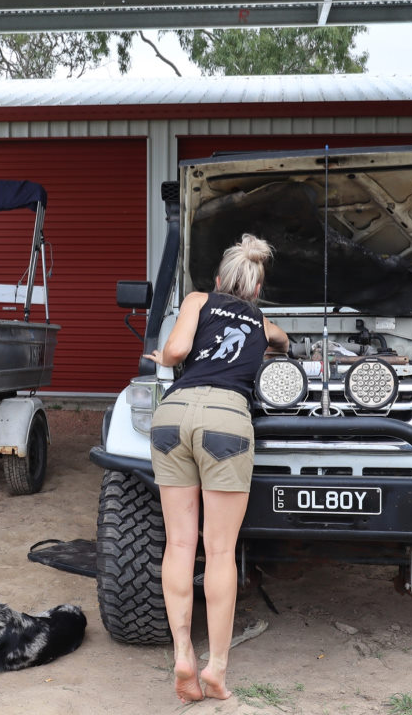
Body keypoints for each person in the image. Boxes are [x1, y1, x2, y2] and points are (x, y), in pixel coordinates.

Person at [142, 233, 289, 703]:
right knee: (220, 551)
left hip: (173, 413)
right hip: (226, 419)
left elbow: (179, 350)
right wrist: (275, 341)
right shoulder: (263, 321)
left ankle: (183, 652)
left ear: (221, 278)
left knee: (180, 543)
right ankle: (217, 670)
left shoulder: (198, 299)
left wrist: (160, 356)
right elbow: (285, 344)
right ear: (257, 288)